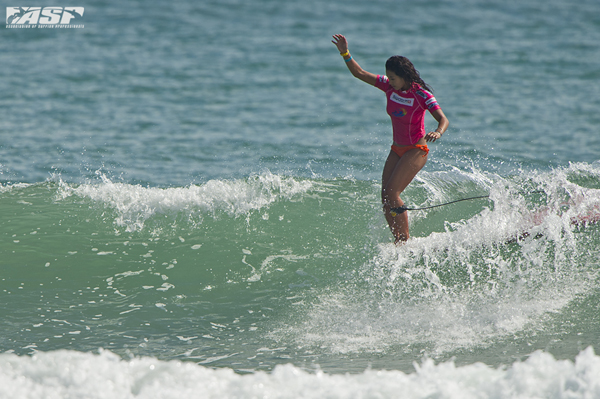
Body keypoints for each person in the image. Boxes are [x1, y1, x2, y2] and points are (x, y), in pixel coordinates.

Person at [332, 34, 449, 244]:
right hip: (396, 149)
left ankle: (405, 242)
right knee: (385, 198)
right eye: (389, 78)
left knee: (393, 193)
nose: (390, 82)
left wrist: (438, 132)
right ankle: (398, 240)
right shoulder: (388, 86)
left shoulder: (421, 95)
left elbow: (443, 119)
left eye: (393, 78)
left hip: (416, 149)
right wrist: (345, 53)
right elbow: (359, 73)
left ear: (404, 76)